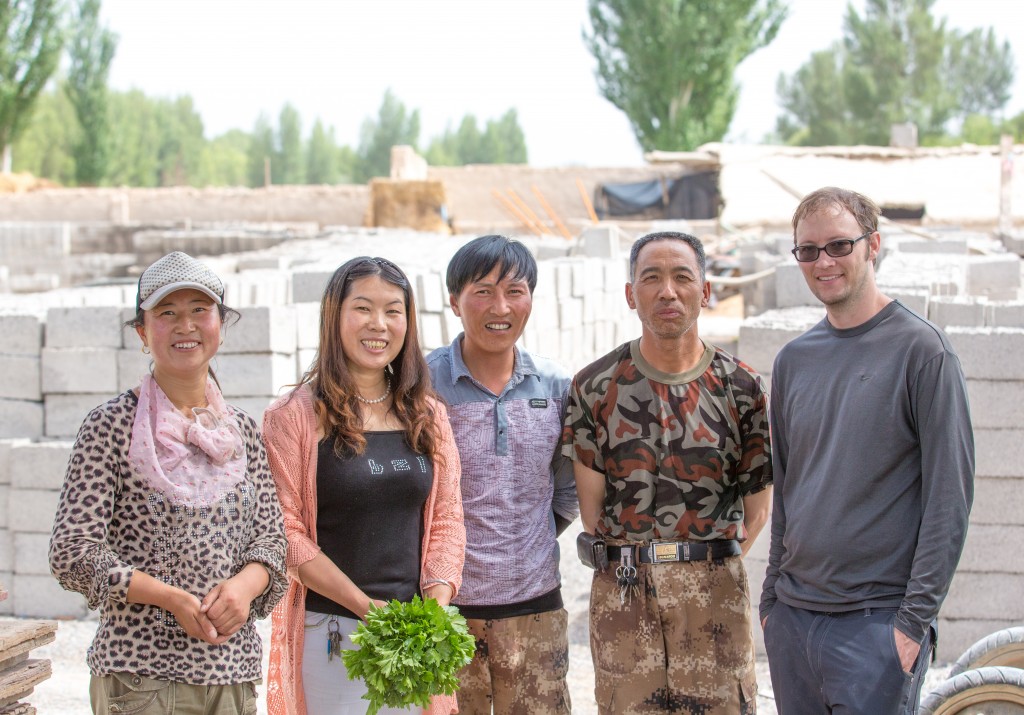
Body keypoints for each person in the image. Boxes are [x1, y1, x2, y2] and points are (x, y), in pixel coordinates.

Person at [759, 187, 975, 714]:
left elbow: (950, 499)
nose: (823, 261)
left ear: (872, 244)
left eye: (838, 245)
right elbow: (787, 488)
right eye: (807, 250)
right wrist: (771, 603)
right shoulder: (794, 361)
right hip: (793, 621)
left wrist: (910, 625)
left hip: (875, 628)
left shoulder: (924, 353)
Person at [49, 250, 288, 714]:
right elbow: (72, 551)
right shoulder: (110, 426)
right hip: (142, 681)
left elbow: (271, 539)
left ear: (221, 322)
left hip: (232, 676)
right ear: (142, 332)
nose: (186, 326)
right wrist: (170, 598)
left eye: (200, 310)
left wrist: (244, 587)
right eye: (167, 313)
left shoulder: (241, 432)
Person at [562, 231, 772, 714]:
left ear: (706, 291)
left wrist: (705, 569)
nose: (667, 291)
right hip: (624, 590)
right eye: (651, 278)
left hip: (715, 590)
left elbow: (758, 512)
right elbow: (592, 514)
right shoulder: (596, 386)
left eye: (682, 277)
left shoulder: (740, 386)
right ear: (631, 294)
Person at [262, 256, 466, 715]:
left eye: (393, 310)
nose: (379, 324)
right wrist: (362, 606)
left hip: (412, 637)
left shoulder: (428, 415)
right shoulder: (293, 417)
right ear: (334, 315)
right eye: (363, 308)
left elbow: (448, 519)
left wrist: (434, 605)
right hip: (330, 633)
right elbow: (285, 533)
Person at [426, 235, 578, 714]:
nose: (501, 306)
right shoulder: (419, 383)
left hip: (536, 607)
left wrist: (524, 539)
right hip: (445, 613)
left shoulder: (555, 386)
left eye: (515, 290)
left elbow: (568, 487)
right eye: (483, 291)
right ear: (454, 301)